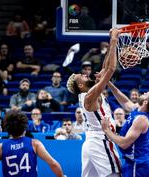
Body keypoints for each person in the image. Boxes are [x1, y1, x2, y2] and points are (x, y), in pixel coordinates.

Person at [66, 28, 121, 177]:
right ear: (81, 86)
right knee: (116, 174)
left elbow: (104, 67)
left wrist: (110, 43)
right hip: (100, 140)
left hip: (92, 142)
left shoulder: (88, 92)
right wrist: (115, 40)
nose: (85, 75)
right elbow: (110, 70)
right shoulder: (89, 95)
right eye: (82, 77)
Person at [101, 81, 149, 177]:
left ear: (145, 102)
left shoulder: (142, 119)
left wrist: (106, 130)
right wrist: (109, 83)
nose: (143, 93)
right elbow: (124, 101)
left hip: (138, 165)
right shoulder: (137, 109)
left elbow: (124, 143)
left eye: (146, 94)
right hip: (131, 162)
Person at [0, 110, 65, 177]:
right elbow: (53, 164)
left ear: (8, 128)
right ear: (24, 128)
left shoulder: (0, 148)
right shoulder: (34, 143)